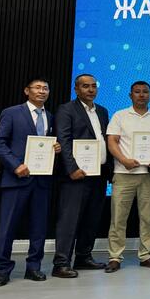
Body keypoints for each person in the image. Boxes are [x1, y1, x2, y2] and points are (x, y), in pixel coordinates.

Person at [0, 77, 59, 286]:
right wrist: (15, 165)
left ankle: (34, 267)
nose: (42, 91)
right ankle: (3, 270)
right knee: (7, 227)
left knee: (39, 227)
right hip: (16, 179)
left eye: (45, 88)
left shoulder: (50, 116)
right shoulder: (12, 113)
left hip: (41, 180)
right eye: (37, 87)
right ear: (26, 91)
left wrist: (55, 148)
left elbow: (46, 144)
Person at [52, 73, 113, 278]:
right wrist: (72, 169)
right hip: (76, 175)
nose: (91, 90)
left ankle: (83, 257)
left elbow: (104, 141)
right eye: (85, 86)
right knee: (69, 219)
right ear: (76, 89)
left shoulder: (102, 111)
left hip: (99, 174)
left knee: (91, 218)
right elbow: (64, 139)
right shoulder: (66, 109)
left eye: (93, 86)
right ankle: (61, 263)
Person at [104, 81, 150, 273]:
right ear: (130, 95)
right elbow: (112, 141)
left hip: (149, 175)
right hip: (123, 174)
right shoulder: (120, 116)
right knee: (118, 218)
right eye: (137, 92)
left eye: (145, 92)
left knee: (148, 218)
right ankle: (115, 257)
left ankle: (146, 255)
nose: (141, 95)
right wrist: (123, 160)